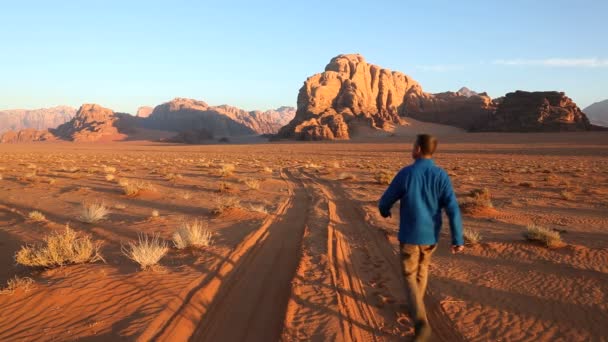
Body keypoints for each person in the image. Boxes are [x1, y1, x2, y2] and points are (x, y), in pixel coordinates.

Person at [378, 134, 464, 342]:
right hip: (430, 237)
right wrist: (457, 238)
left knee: (409, 275)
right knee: (422, 270)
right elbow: (452, 208)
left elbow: (386, 199)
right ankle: (415, 304)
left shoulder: (407, 173)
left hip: (409, 235)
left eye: (413, 145)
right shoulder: (441, 175)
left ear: (417, 149)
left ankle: (420, 322)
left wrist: (384, 211)